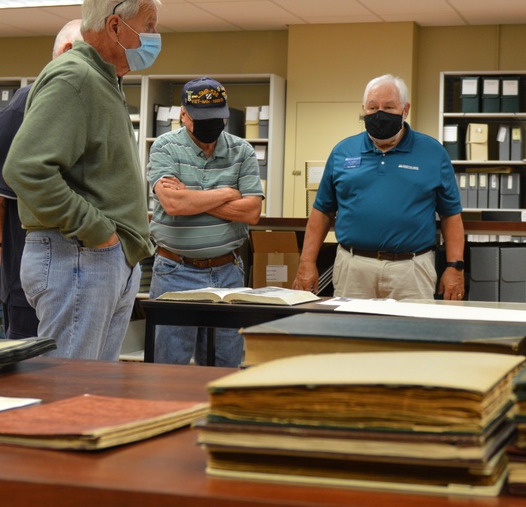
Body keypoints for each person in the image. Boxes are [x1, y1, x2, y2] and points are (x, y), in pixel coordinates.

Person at [4, 0, 159, 360]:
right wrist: (98, 232)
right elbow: (26, 168)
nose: (156, 37)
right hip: (79, 255)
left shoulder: (106, 82)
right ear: (115, 26)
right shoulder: (75, 77)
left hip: (101, 258)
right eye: (150, 25)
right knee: (67, 393)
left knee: (91, 389)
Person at [292, 74, 466, 301]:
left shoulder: (433, 153)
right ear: (363, 108)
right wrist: (306, 263)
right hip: (353, 269)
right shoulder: (343, 151)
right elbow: (322, 211)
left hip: (412, 270)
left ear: (406, 109)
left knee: (410, 335)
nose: (379, 114)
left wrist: (455, 267)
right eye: (372, 107)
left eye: (389, 107)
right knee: (350, 334)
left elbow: (451, 214)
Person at [0, 19, 83, 339]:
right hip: (30, 275)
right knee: (30, 375)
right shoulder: (25, 105)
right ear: (67, 51)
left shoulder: (82, 103)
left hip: (78, 274)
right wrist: (1, 243)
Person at [148, 77, 263, 366]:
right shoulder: (164, 147)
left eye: (216, 117)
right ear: (184, 114)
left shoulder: (242, 151)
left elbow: (251, 212)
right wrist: (226, 193)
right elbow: (173, 204)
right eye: (202, 118)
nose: (210, 124)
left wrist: (192, 197)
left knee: (224, 364)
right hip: (175, 271)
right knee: (167, 368)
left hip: (227, 272)